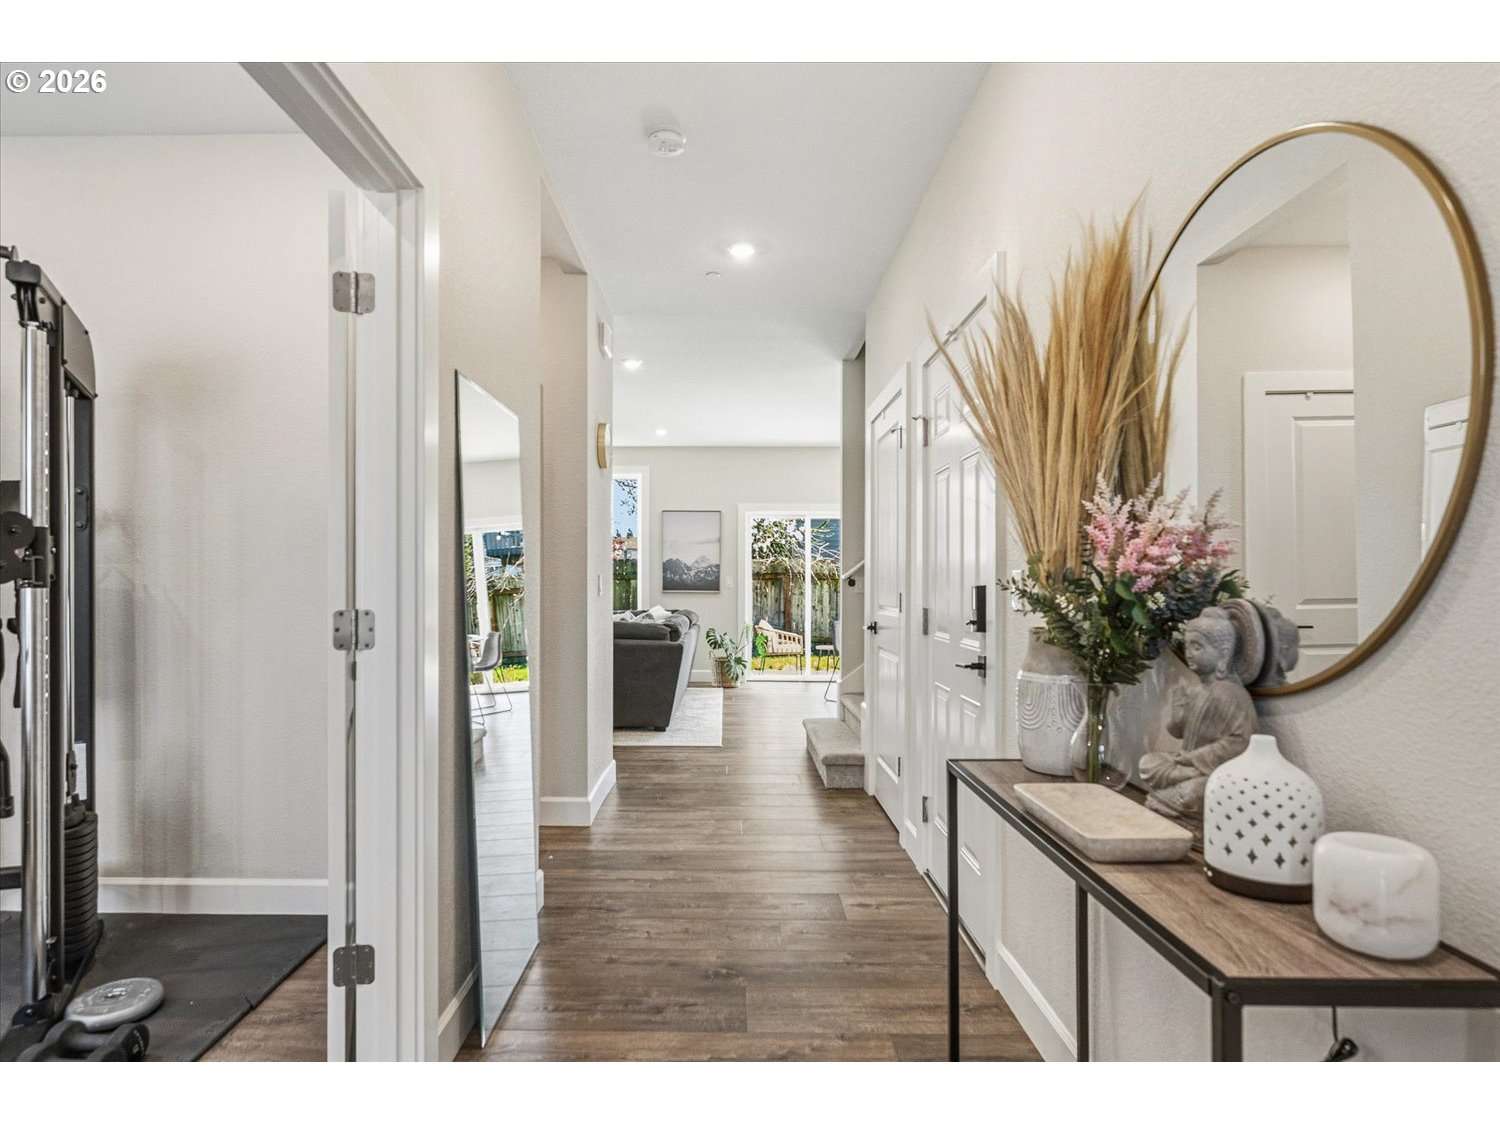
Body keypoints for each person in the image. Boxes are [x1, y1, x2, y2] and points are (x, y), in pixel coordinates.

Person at [1140, 607, 1257, 820]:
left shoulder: (1231, 693)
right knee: (1148, 763)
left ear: (1223, 652)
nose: (1189, 654)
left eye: (1198, 647)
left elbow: (1240, 743)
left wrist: (1194, 758)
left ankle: (1183, 788)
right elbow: (1178, 732)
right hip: (1188, 766)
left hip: (1218, 773)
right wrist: (1177, 717)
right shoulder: (1195, 690)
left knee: (1190, 793)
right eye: (1187, 647)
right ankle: (1183, 782)